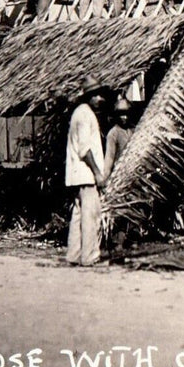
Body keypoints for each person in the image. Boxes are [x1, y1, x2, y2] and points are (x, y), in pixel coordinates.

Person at [66, 75, 109, 266]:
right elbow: (85, 149)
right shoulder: (85, 115)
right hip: (86, 175)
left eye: (100, 95)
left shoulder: (80, 113)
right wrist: (98, 173)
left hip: (77, 175)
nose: (100, 99)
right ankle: (90, 256)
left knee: (78, 215)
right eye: (96, 95)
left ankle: (74, 255)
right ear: (88, 97)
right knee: (90, 216)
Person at [103, 96, 135, 179]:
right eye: (121, 114)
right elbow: (109, 156)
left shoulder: (133, 130)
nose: (124, 117)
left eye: (126, 114)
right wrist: (106, 176)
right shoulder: (114, 133)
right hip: (121, 174)